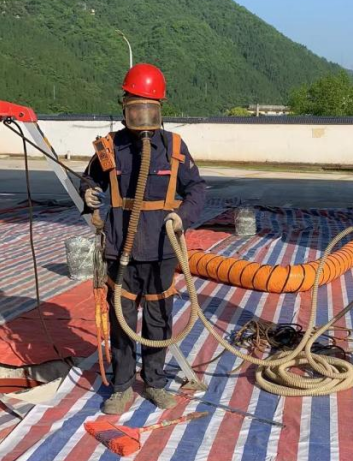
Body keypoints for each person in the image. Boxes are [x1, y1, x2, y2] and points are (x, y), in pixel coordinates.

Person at [80, 63, 206, 414]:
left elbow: (197, 189)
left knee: (158, 320)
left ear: (160, 109)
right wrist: (87, 193)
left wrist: (182, 217)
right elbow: (89, 180)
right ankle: (121, 387)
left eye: (148, 108)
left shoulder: (174, 146)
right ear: (124, 108)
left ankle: (154, 382)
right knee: (122, 322)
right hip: (121, 247)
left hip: (161, 250)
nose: (141, 116)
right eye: (135, 108)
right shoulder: (110, 147)